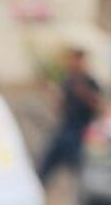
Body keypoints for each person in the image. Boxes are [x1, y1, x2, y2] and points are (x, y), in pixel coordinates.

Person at [37, 47, 102, 185]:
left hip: (81, 130)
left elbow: (99, 106)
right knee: (45, 167)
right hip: (66, 127)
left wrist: (83, 92)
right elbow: (60, 106)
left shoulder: (90, 82)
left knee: (81, 169)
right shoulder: (68, 81)